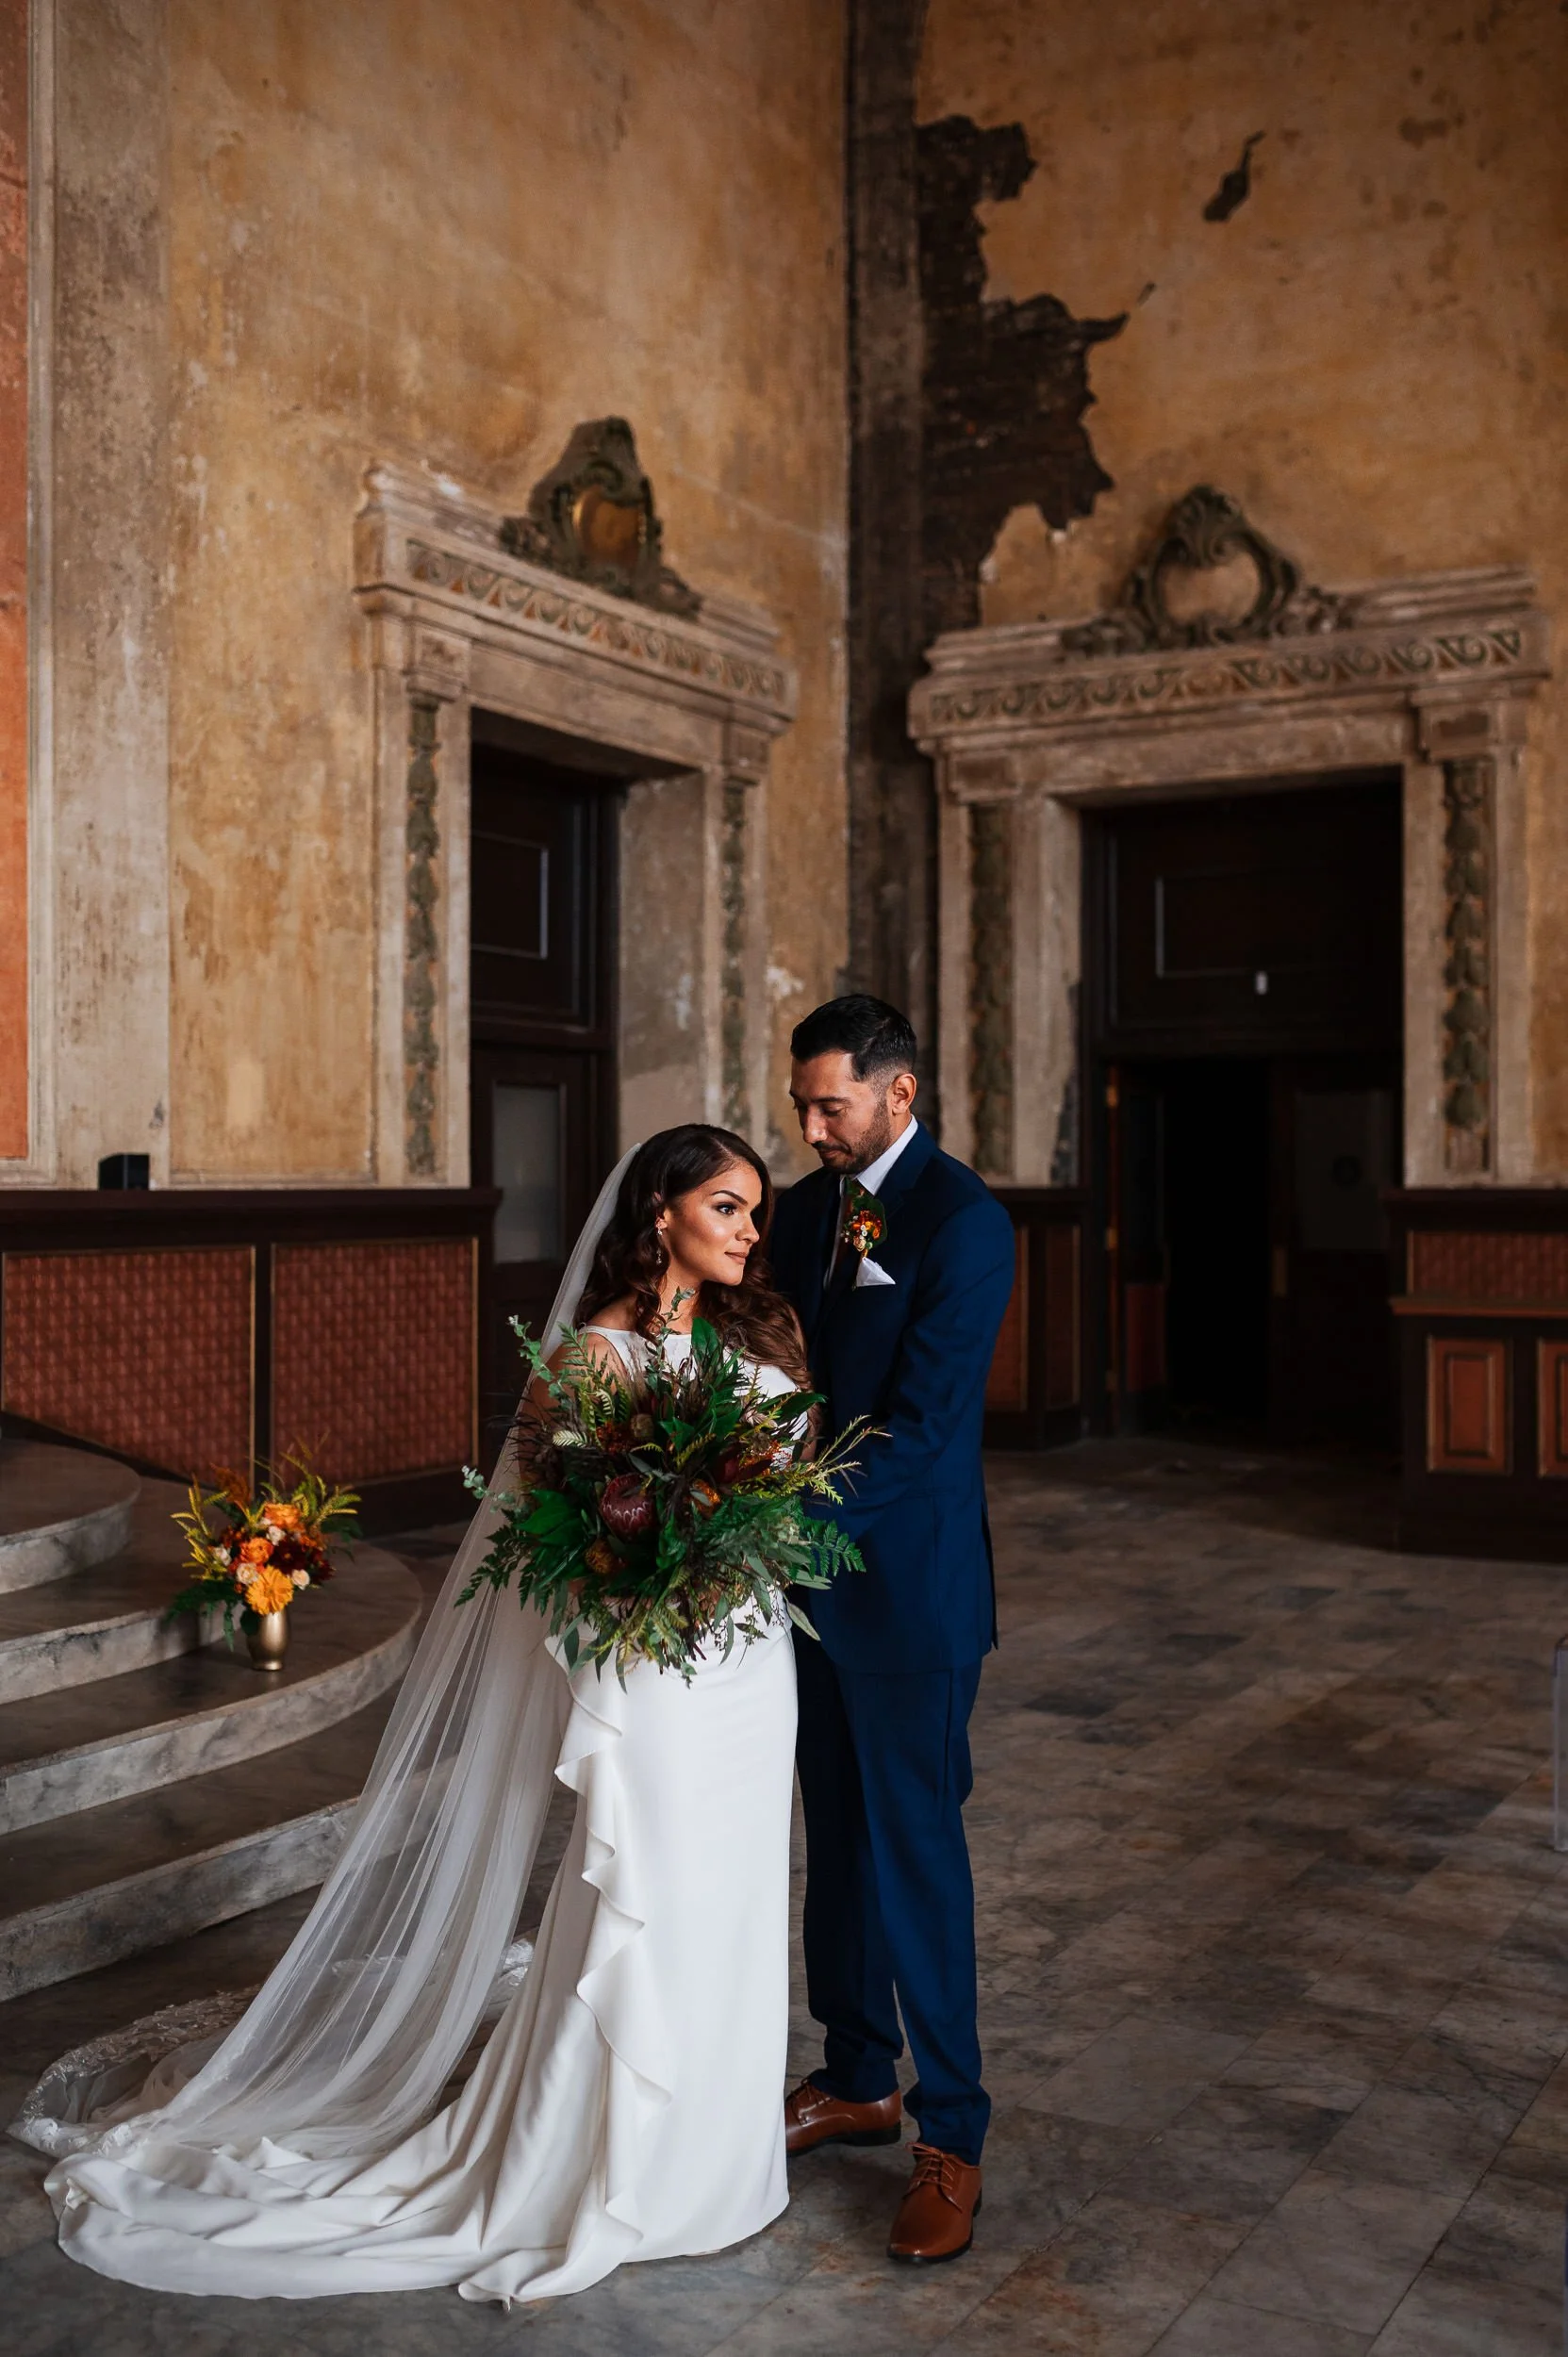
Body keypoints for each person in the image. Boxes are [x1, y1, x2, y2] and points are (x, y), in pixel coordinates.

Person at [12, 1127, 812, 2307]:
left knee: (735, 1897)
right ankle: (617, 2160)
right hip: (656, 1671)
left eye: (754, 1210)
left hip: (748, 1664)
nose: (750, 1229)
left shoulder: (752, 1337)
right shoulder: (593, 1356)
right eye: (728, 1206)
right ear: (661, 1215)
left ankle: (716, 2156)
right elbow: (564, 1539)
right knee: (652, 1886)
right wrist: (653, 1568)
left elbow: (785, 1491)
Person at [768, 995, 1015, 2265]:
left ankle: (950, 2136)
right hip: (804, 1589)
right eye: (801, 1105)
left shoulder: (962, 1222)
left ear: (898, 1092)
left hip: (909, 1590)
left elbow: (921, 1429)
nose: (811, 1127)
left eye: (832, 1104)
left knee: (915, 1855)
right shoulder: (799, 1212)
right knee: (837, 1840)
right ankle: (855, 2074)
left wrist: (770, 1508)